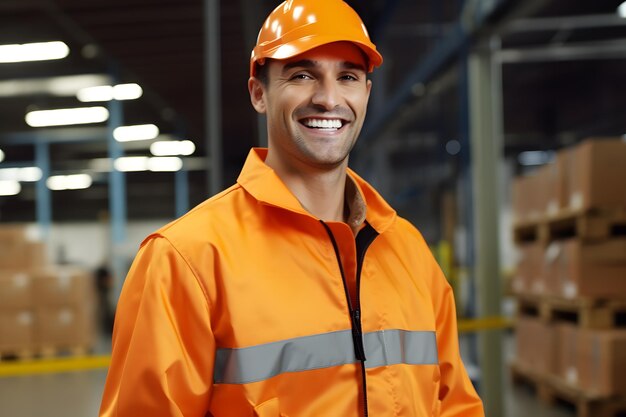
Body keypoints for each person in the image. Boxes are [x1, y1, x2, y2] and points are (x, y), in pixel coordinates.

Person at [99, 1, 485, 416]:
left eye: (348, 77)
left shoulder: (409, 251)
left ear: (366, 94)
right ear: (259, 93)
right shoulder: (185, 260)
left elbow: (456, 405)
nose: (328, 98)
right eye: (302, 75)